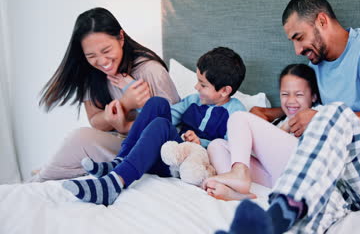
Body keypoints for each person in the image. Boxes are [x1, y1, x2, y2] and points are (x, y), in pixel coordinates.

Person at [218, 0, 360, 234]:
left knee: (334, 112)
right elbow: (308, 110)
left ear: (322, 21)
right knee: (311, 207)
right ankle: (272, 222)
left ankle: (284, 205)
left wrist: (322, 118)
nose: (296, 49)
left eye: (299, 37)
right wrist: (271, 114)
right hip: (343, 180)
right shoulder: (316, 67)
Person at [62, 46, 247, 206]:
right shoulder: (193, 100)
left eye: (203, 84)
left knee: (161, 125)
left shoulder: (236, 112)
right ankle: (121, 161)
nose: (196, 87)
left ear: (225, 90)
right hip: (171, 152)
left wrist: (202, 142)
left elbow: (232, 148)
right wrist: (131, 89)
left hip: (190, 164)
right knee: (158, 103)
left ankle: (115, 182)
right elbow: (163, 116)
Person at [31, 7, 180, 182]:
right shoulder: (91, 73)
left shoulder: (151, 71)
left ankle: (37, 181)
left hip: (152, 149)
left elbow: (173, 125)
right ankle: (39, 181)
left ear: (121, 38)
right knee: (79, 140)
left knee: (78, 140)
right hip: (119, 144)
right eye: (91, 55)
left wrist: (125, 126)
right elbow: (95, 121)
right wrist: (125, 103)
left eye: (106, 50)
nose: (101, 61)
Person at [203, 64, 320, 201]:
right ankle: (237, 192)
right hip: (276, 178)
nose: (291, 101)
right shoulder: (281, 120)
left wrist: (289, 125)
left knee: (239, 117)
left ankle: (239, 174)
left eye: (299, 94)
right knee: (216, 146)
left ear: (313, 97)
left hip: (303, 171)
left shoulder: (321, 115)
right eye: (285, 94)